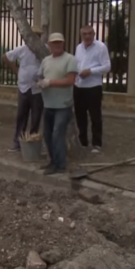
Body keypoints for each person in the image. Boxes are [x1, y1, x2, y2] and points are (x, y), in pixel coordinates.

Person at [36, 32, 78, 175]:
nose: (57, 45)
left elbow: (70, 80)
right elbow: (41, 75)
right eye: (54, 43)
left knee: (57, 134)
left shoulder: (70, 59)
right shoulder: (46, 60)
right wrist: (40, 83)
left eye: (59, 42)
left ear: (63, 44)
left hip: (63, 105)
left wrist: (50, 82)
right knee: (47, 135)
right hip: (48, 103)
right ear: (49, 45)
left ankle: (60, 165)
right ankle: (53, 161)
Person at [3, 27, 44, 152]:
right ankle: (17, 142)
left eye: (37, 36)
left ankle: (32, 141)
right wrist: (16, 70)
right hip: (24, 87)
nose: (34, 39)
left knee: (36, 116)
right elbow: (5, 57)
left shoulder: (43, 50)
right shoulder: (22, 49)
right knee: (22, 115)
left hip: (38, 88)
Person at [73, 25, 111, 153]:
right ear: (81, 35)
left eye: (90, 34)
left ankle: (96, 143)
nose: (87, 36)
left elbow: (107, 66)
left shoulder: (100, 47)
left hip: (93, 86)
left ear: (94, 34)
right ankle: (83, 141)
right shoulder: (79, 48)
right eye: (84, 34)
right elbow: (77, 64)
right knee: (80, 115)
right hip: (79, 86)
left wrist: (91, 71)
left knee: (95, 115)